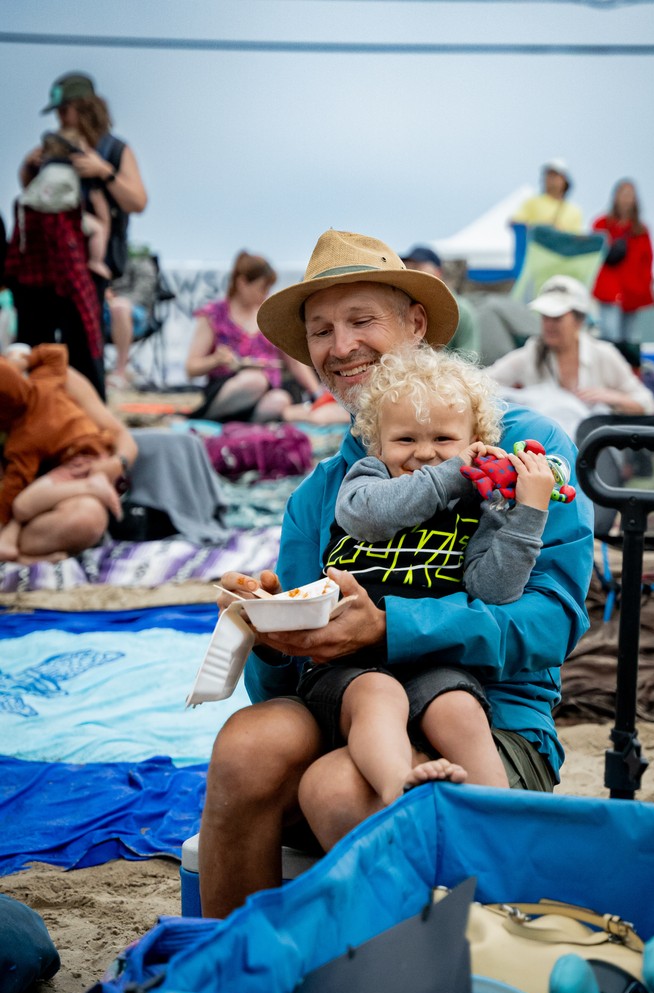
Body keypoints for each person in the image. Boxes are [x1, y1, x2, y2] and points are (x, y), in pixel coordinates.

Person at [198, 229, 595, 917]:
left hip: (483, 715)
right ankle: (235, 970)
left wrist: (390, 628)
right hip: (350, 703)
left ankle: (415, 984)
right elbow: (284, 687)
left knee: (335, 788)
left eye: (360, 320)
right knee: (246, 742)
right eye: (321, 330)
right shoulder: (323, 491)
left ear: (416, 324)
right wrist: (269, 632)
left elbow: (551, 623)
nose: (340, 345)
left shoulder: (522, 448)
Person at [297, 345, 557, 803]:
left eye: (443, 439)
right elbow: (367, 518)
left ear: (477, 440)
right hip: (349, 665)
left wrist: (528, 512)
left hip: (435, 661)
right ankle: (398, 782)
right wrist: (455, 471)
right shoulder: (366, 479)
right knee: (379, 695)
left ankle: (500, 821)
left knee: (459, 709)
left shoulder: (484, 504)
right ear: (377, 443)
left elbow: (492, 590)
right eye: (405, 440)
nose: (423, 455)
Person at [8, 72, 148, 399]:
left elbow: (138, 201)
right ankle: (36, 405)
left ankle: (92, 414)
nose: (59, 117)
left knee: (84, 343)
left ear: (83, 107)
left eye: (64, 110)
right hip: (48, 264)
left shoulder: (114, 149)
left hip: (88, 268)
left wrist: (104, 172)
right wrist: (30, 168)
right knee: (36, 341)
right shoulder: (55, 146)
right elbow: (34, 196)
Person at [0, 344, 135, 563]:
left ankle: (15, 548)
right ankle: (20, 553)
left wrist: (115, 464)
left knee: (85, 518)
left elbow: (122, 436)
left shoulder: (53, 380)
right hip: (27, 494)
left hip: (68, 480)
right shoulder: (23, 433)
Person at [485, 275, 654, 433]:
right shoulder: (532, 353)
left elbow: (646, 402)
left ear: (579, 321)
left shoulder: (604, 355)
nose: (549, 325)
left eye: (557, 318)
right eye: (545, 317)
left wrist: (614, 398)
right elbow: (483, 382)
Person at [186, 251, 323, 422]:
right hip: (229, 390)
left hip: (265, 394)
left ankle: (245, 430)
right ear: (242, 283)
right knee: (253, 381)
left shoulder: (269, 316)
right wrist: (217, 360)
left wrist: (317, 393)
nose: (265, 295)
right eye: (262, 288)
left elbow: (293, 362)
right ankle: (204, 418)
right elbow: (191, 368)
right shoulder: (214, 314)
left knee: (280, 399)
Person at [19, 129, 112, 280]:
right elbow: (100, 207)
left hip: (41, 226)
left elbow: (28, 196)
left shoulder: (45, 170)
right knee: (99, 228)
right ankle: (96, 261)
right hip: (68, 224)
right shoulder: (76, 172)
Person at [591, 180, 654, 351]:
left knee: (628, 339)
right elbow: (592, 253)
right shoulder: (602, 224)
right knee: (610, 335)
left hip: (632, 290)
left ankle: (623, 372)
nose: (626, 199)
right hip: (609, 288)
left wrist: (645, 286)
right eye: (623, 194)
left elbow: (647, 260)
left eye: (630, 195)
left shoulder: (640, 230)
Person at [400, 245, 480, 358]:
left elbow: (469, 357)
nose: (412, 272)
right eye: (408, 267)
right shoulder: (404, 305)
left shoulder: (461, 309)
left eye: (418, 267)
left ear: (438, 272)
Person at [104, 250, 159, 388]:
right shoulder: (95, 258)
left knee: (120, 308)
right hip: (102, 314)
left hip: (135, 316)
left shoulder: (139, 258)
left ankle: (120, 372)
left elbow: (144, 292)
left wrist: (116, 300)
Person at [511, 159, 583, 233]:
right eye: (548, 175)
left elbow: (576, 238)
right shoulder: (532, 202)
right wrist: (539, 228)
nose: (550, 179)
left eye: (555, 176)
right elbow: (515, 222)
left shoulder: (574, 210)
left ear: (564, 180)